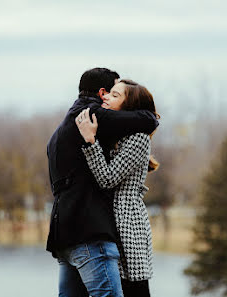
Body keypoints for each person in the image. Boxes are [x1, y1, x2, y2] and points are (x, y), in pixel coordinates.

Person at [46, 68, 159, 297]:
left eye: (116, 95)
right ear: (100, 91)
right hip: (94, 226)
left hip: (125, 223)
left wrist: (91, 143)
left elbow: (108, 178)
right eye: (110, 92)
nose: (107, 98)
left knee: (134, 289)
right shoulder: (91, 118)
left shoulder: (128, 136)